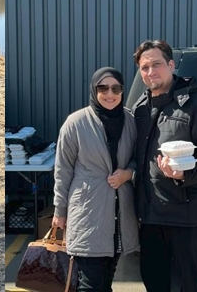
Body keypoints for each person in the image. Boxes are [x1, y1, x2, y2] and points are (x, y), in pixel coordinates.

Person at [131, 40, 197, 292]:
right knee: (153, 277)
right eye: (144, 67)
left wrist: (186, 173)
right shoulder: (140, 108)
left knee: (188, 282)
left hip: (184, 211)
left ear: (171, 65)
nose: (151, 72)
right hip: (149, 213)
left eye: (157, 64)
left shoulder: (195, 104)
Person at [53, 67, 140, 291]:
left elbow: (139, 158)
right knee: (90, 284)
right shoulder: (76, 123)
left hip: (120, 217)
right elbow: (63, 170)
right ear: (94, 89)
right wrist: (59, 210)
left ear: (122, 90)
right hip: (88, 213)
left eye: (116, 88)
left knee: (106, 279)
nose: (109, 94)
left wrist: (127, 174)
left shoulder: (131, 121)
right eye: (103, 88)